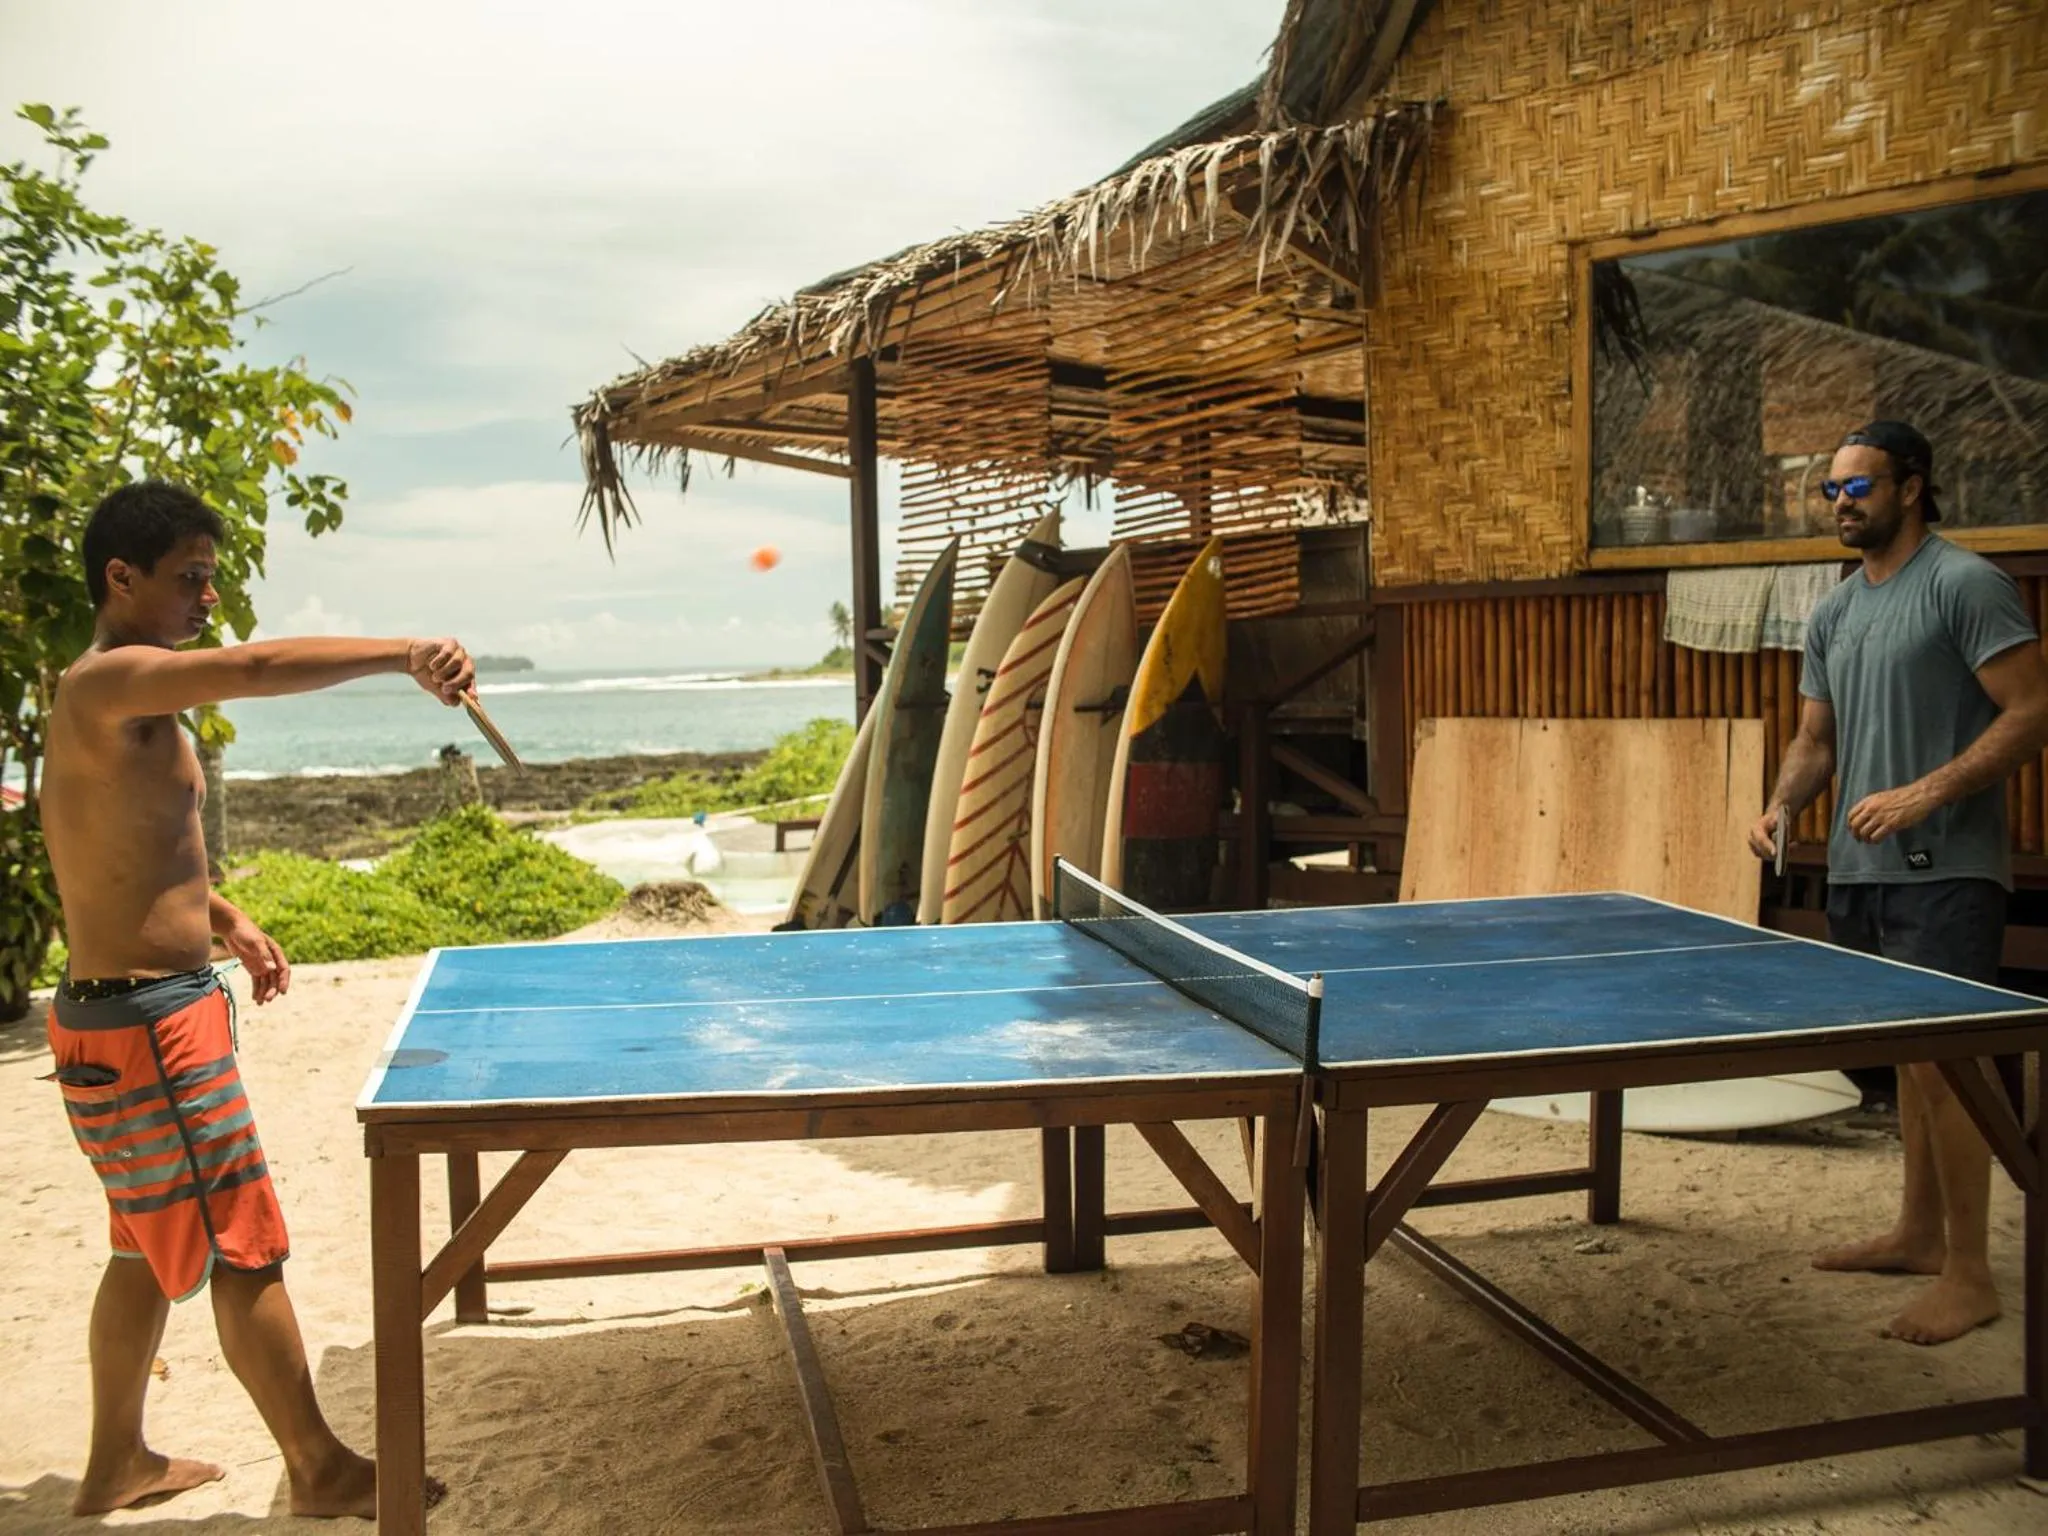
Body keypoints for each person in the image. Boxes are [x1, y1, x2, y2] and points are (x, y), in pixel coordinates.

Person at [39, 479, 473, 1516]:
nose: (204, 600)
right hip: (150, 1032)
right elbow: (256, 665)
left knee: (143, 1246)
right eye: (189, 579)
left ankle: (114, 1465)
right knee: (244, 1245)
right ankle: (320, 1469)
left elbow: (122, 847)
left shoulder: (111, 704)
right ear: (121, 578)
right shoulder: (113, 682)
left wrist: (225, 919)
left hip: (112, 1013)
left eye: (210, 579)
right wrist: (403, 651)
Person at [1747, 420, 2048, 1345]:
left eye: (1859, 487)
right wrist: (1782, 805)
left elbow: (2033, 709)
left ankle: (1971, 1273)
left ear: (1911, 487)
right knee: (1910, 1069)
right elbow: (1816, 739)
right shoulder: (1837, 610)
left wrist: (1929, 791)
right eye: (1831, 490)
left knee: (1944, 1069)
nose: (1842, 503)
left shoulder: (1964, 584)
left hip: (1946, 867)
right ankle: (1920, 1235)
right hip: (1859, 867)